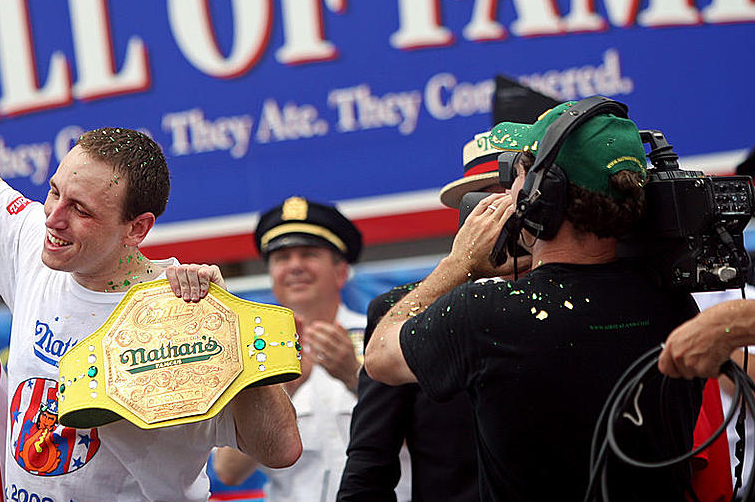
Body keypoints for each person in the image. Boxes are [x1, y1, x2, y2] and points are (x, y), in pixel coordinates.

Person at [0, 0, 301, 502]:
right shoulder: (34, 245)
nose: (53, 217)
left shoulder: (186, 310)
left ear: (137, 229)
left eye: (82, 210)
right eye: (53, 193)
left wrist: (239, 332)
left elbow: (279, 450)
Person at [365, 99, 704, 502]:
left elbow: (380, 355)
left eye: (516, 176)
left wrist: (458, 264)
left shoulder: (488, 313)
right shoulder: (676, 307)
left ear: (545, 195)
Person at [337, 133, 498, 502]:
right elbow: (369, 465)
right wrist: (459, 267)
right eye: (486, 201)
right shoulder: (403, 311)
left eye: (512, 196)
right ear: (466, 210)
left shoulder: (574, 295)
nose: (500, 214)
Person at [213, 196, 368, 502]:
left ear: (341, 272)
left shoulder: (382, 334)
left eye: (309, 254)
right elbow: (228, 472)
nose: (295, 266)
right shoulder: (251, 352)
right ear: (272, 276)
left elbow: (433, 440)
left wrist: (357, 379)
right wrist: (285, 389)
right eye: (282, 257)